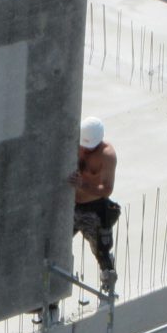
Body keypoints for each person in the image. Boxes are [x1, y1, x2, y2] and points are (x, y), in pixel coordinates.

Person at [69, 116, 119, 295]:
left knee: (101, 250)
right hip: (71, 206)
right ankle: (52, 298)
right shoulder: (73, 143)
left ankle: (108, 285)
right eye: (83, 146)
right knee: (57, 244)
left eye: (90, 148)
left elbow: (106, 189)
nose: (85, 150)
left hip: (94, 209)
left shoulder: (106, 155)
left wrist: (83, 184)